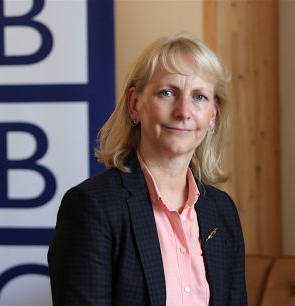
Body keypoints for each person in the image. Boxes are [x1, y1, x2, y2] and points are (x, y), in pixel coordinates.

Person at [48, 33, 247, 306]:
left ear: (213, 115)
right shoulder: (92, 206)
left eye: (199, 96)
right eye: (167, 93)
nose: (184, 111)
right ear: (135, 105)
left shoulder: (221, 211)